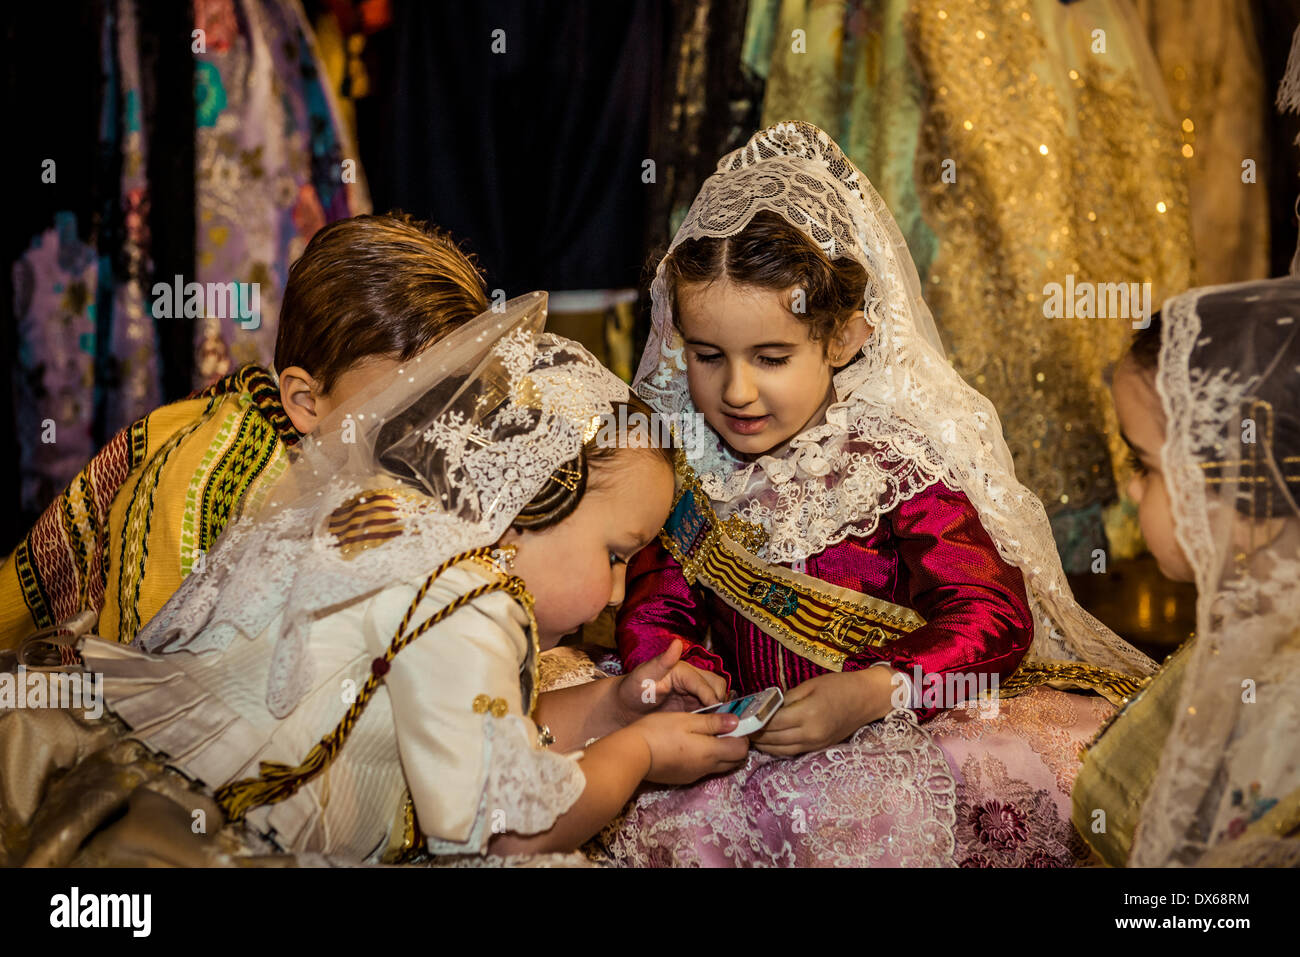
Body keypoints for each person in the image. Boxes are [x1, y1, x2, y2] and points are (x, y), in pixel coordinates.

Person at [2, 292, 746, 866]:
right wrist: (640, 755)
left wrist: (617, 704)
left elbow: (474, 730)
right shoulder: (465, 594)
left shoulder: (404, 527)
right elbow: (509, 831)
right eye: (616, 554)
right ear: (531, 498)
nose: (617, 596)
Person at [602, 121, 1155, 867]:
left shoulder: (893, 463)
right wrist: (676, 672)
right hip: (733, 754)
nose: (735, 390)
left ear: (845, 337)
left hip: (891, 746)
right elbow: (656, 600)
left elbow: (992, 617)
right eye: (707, 355)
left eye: (771, 357)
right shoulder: (686, 463)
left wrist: (873, 692)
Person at [0, 213, 488, 650]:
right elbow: (148, 688)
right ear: (304, 402)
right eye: (403, 410)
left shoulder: (389, 461)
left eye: (455, 404)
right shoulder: (205, 489)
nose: (436, 435)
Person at [1073, 278, 1300, 867]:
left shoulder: (1281, 703)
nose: (1129, 487)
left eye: (1143, 464)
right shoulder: (1254, 631)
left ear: (1245, 491)